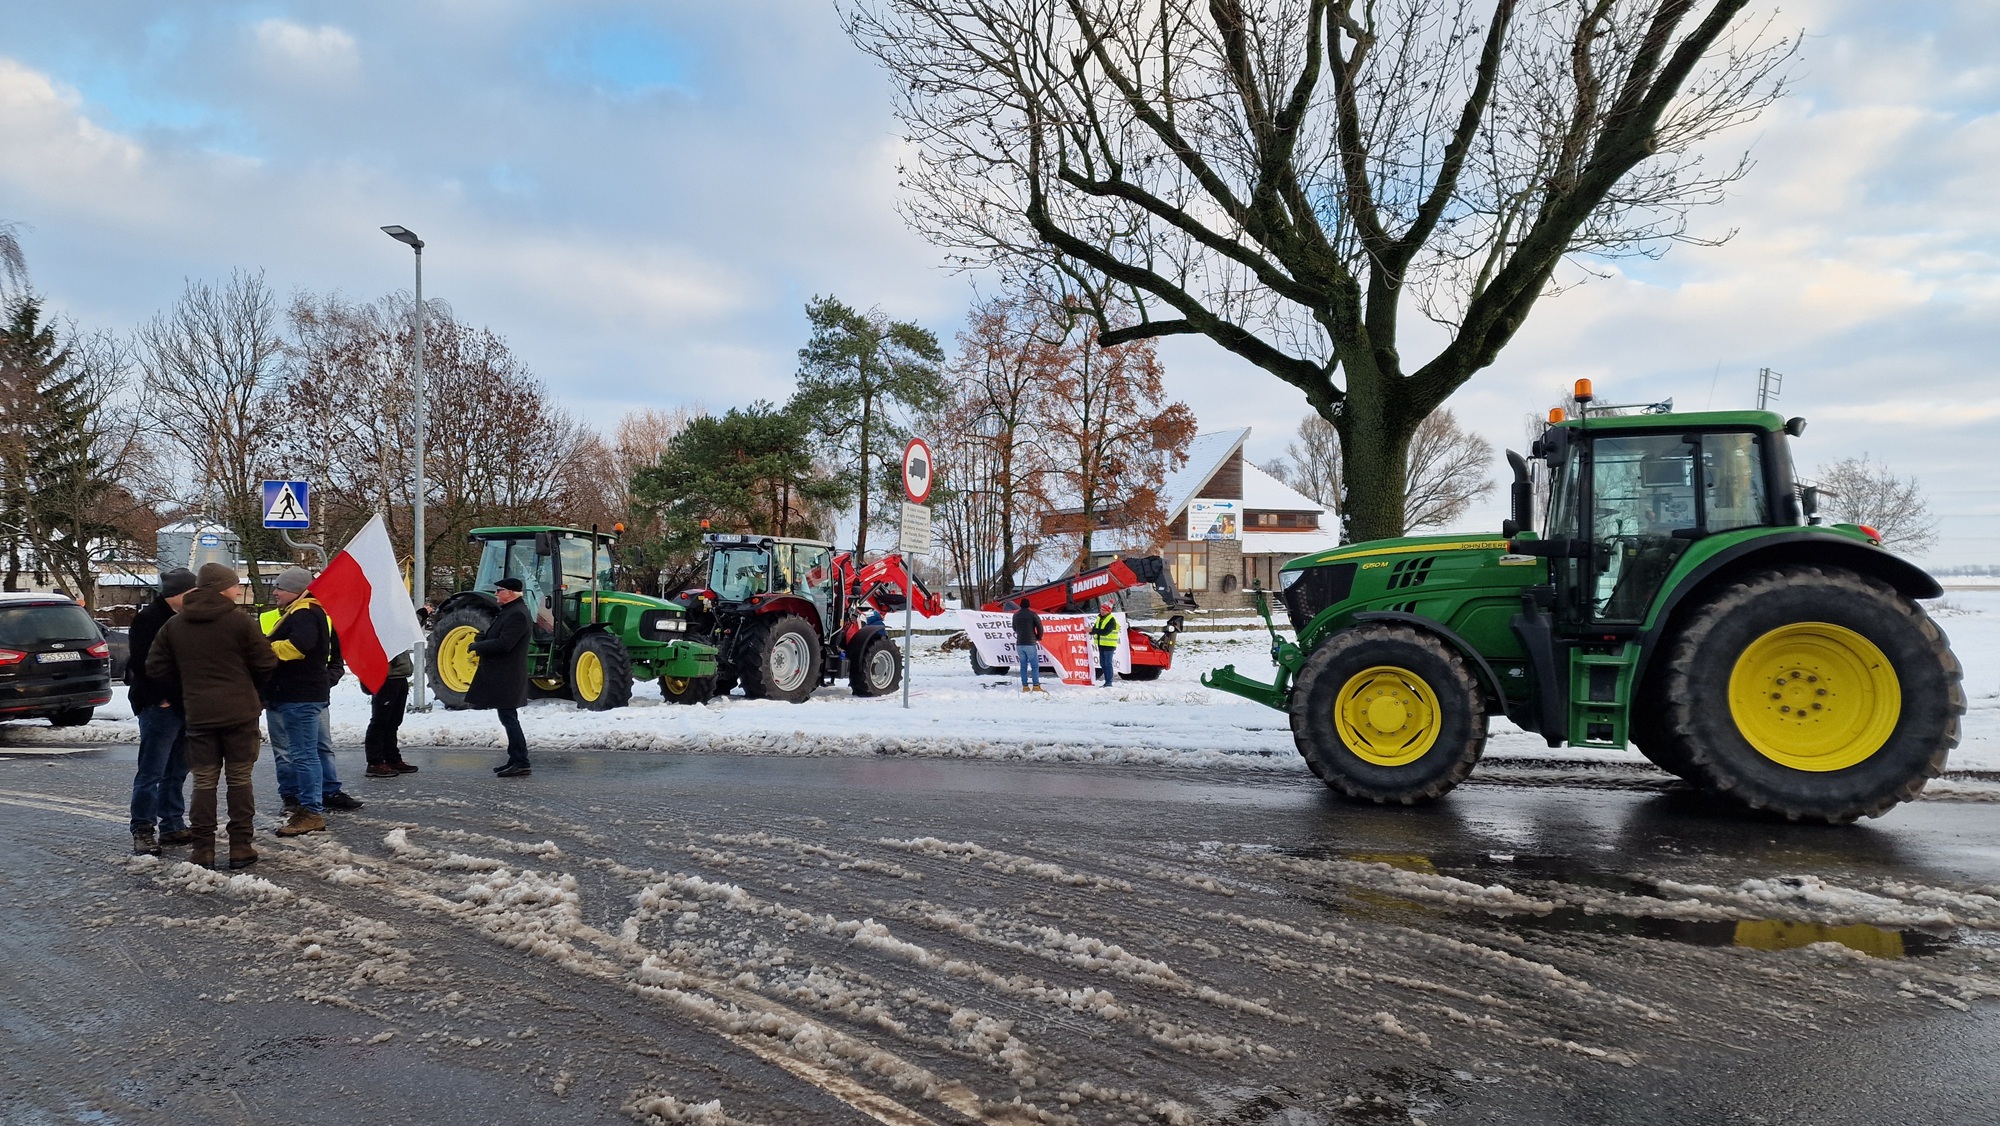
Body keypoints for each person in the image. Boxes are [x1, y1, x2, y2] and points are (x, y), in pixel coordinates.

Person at [144, 563, 277, 870]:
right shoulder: (239, 621)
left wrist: (185, 689)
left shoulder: (175, 625)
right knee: (240, 779)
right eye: (234, 586)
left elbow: (155, 667)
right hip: (240, 713)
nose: (237, 590)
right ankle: (240, 846)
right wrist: (249, 687)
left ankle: (202, 849)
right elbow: (267, 661)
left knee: (203, 782)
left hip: (199, 714)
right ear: (221, 588)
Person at [262, 570, 362, 817]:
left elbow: (299, 647)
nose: (275, 592)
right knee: (300, 752)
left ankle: (310, 807)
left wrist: (264, 647)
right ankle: (299, 798)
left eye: (280, 588)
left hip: (299, 695)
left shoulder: (304, 612)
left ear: (296, 590)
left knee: (305, 754)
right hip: (287, 693)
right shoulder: (293, 612)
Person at [126, 568, 197, 856]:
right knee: (152, 770)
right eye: (192, 593)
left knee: (177, 769)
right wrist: (162, 698)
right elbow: (143, 665)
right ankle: (143, 829)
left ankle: (172, 824)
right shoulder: (148, 620)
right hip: (160, 706)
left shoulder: (188, 619)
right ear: (179, 594)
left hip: (185, 704)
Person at [467, 577, 532, 777]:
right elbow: (499, 636)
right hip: (503, 674)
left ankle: (521, 760)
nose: (496, 594)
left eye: (499, 590)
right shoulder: (510, 611)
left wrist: (477, 646)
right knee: (507, 717)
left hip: (508, 675)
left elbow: (505, 644)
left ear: (511, 592)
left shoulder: (517, 614)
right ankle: (515, 758)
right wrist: (483, 638)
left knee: (509, 718)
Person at [363, 649, 419, 778]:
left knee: (394, 722)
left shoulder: (398, 633)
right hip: (386, 678)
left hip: (400, 676)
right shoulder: (382, 632)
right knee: (380, 721)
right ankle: (374, 762)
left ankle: (392, 758)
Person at [1009, 599, 1045, 694]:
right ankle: (1036, 686)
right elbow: (1040, 627)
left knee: (1023, 666)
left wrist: (1020, 633)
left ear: (1020, 605)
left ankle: (1025, 686)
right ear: (1029, 605)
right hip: (1030, 643)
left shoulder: (1015, 615)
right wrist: (1038, 637)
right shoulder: (1033, 615)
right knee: (1034, 666)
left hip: (1019, 643)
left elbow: (1014, 628)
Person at [1091, 598, 1120, 688]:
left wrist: (1092, 630)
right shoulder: (1100, 618)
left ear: (1108, 611)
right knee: (1103, 664)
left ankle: (1109, 682)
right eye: (1101, 609)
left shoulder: (1111, 620)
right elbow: (1096, 629)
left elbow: (1105, 632)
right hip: (1102, 644)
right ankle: (1107, 682)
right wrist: (1089, 630)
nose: (1102, 611)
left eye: (1104, 610)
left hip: (1109, 646)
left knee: (1107, 664)